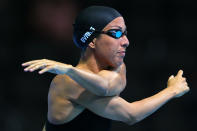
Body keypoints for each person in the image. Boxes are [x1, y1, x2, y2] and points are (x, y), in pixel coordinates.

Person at [22, 6, 190, 131]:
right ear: (92, 41)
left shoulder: (116, 67)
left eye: (125, 33)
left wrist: (68, 69)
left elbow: (107, 86)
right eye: (116, 33)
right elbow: (131, 115)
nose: (126, 41)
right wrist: (172, 90)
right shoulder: (67, 82)